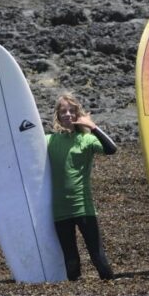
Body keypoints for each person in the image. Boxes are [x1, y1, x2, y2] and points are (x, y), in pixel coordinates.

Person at [46, 93, 117, 281]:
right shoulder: (48, 141)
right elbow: (20, 151)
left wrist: (92, 127)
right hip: (59, 211)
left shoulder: (87, 140)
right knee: (71, 260)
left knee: (98, 257)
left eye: (72, 111)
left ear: (78, 114)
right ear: (57, 115)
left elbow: (111, 149)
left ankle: (109, 294)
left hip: (83, 208)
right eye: (63, 111)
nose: (68, 114)